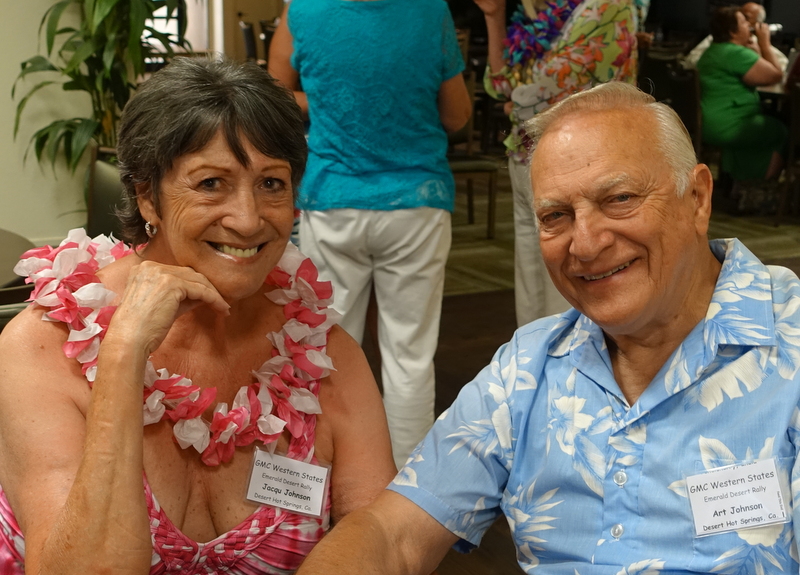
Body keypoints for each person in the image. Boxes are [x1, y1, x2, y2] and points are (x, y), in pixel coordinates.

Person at [293, 81, 800, 574]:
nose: (586, 243)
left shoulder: (790, 345)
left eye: (619, 198)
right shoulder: (528, 368)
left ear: (698, 198)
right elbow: (393, 534)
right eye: (556, 215)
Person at [0, 57, 397, 575]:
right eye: (211, 183)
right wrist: (123, 354)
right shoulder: (43, 347)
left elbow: (384, 540)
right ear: (147, 196)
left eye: (271, 183)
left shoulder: (320, 357)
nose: (248, 220)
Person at [268, 0, 472, 469]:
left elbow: (274, 98)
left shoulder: (304, 11)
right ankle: (409, 485)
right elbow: (457, 115)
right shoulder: (431, 11)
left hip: (334, 199)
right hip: (416, 200)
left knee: (326, 348)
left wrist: (327, 100)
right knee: (410, 355)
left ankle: (328, 475)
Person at [473, 0, 644, 327]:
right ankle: (534, 356)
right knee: (531, 275)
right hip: (526, 158)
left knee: (572, 272)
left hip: (585, 164)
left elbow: (549, 85)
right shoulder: (537, 14)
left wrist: (516, 102)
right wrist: (494, 18)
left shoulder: (608, 6)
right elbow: (499, 85)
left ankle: (577, 357)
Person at [697, 6, 787, 181]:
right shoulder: (735, 53)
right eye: (745, 23)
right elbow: (775, 75)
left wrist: (756, 50)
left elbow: (758, 74)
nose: (750, 26)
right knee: (779, 130)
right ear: (733, 31)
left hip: (710, 122)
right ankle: (763, 182)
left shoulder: (714, 51)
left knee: (761, 125)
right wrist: (765, 43)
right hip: (730, 125)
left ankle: (739, 180)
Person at [683, 2, 788, 72]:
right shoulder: (717, 39)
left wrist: (762, 50)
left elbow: (783, 66)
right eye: (740, 16)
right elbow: (690, 61)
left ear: (757, 23)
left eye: (746, 18)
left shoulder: (756, 42)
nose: (740, 20)